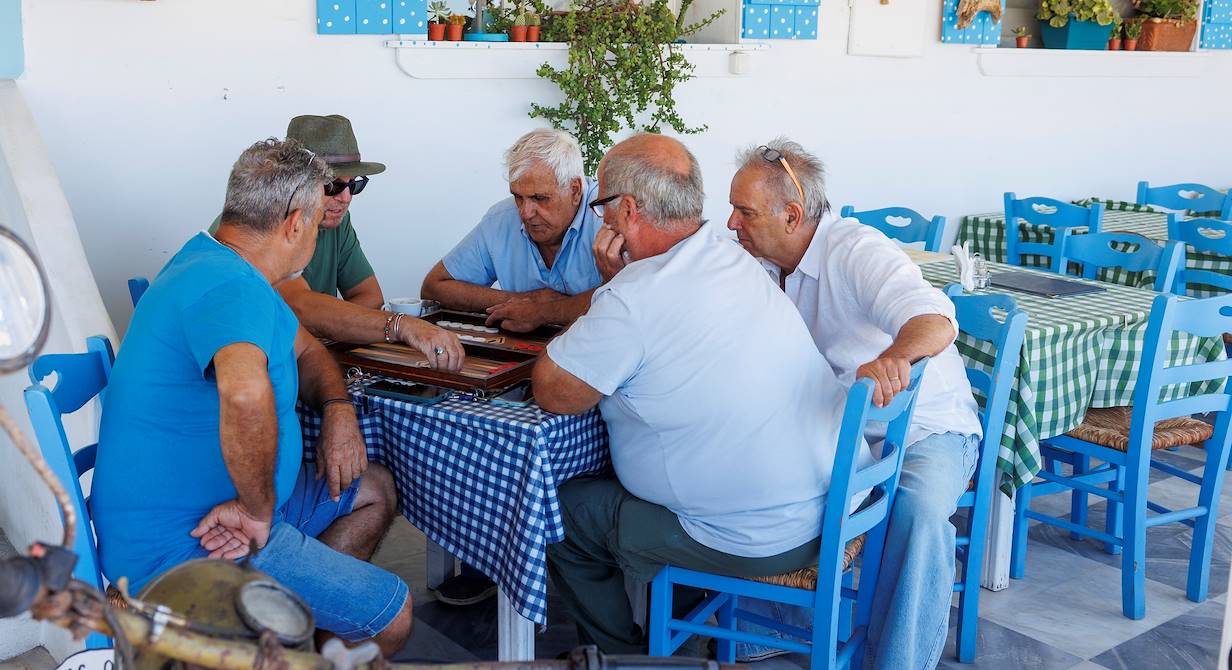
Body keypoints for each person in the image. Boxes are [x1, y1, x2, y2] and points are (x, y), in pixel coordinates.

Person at [532, 133, 859, 655]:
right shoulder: (733, 257)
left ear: (628, 210)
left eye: (601, 207)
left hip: (759, 535)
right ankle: (683, 628)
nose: (601, 221)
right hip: (836, 505)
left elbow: (554, 391)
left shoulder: (633, 299)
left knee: (556, 511)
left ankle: (620, 656)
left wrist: (607, 291)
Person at [92, 138, 411, 654]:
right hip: (192, 545)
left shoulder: (223, 265)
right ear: (294, 223)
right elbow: (243, 394)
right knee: (391, 615)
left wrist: (335, 410)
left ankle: (299, 636)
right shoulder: (230, 288)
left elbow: (307, 353)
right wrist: (257, 509)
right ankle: (298, 629)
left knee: (372, 486)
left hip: (222, 516)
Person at [725, 137, 982, 669]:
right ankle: (768, 629)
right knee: (741, 470)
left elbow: (933, 320)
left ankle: (897, 662)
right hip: (837, 432)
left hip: (925, 431)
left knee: (918, 511)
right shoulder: (758, 259)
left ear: (792, 215)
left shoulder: (856, 249)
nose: (731, 224)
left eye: (744, 212)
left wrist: (894, 359)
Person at [214, 114, 465, 371]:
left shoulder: (335, 220)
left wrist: (330, 323)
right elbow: (300, 306)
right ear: (296, 183)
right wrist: (399, 326)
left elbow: (368, 296)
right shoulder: (258, 222)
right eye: (333, 186)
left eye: (353, 185)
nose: (346, 198)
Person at [421, 129, 606, 331]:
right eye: (518, 196)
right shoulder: (502, 218)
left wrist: (545, 312)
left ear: (575, 190)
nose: (525, 213)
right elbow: (434, 287)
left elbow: (632, 296)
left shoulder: (608, 215)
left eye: (539, 198)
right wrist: (523, 301)